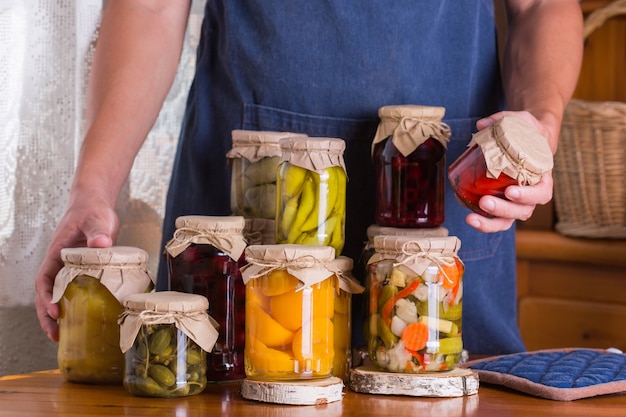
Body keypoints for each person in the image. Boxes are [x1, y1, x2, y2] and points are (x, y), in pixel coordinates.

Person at [35, 0, 583, 355]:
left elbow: (542, 6)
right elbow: (152, 8)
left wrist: (540, 132)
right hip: (244, 221)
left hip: (442, 209)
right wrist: (93, 190)